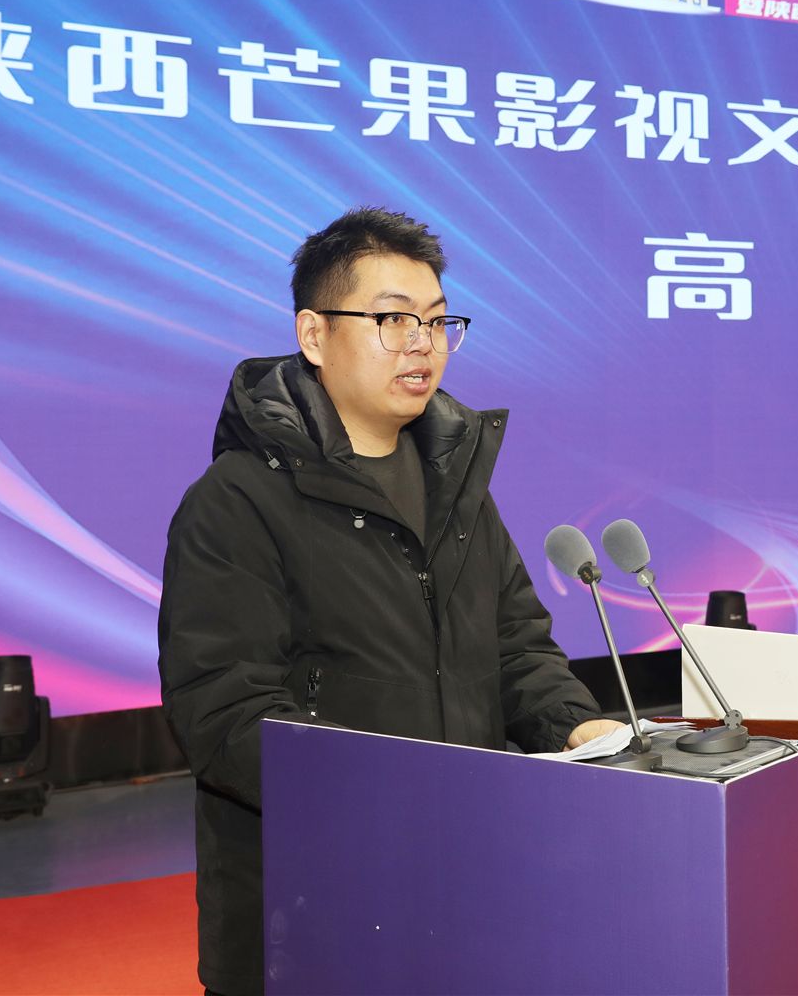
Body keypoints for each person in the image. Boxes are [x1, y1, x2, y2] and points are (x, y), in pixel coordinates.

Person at [158, 206, 622, 996]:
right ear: (313, 335)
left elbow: (516, 647)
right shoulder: (237, 502)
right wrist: (389, 793)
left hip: (461, 884)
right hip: (309, 910)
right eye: (392, 319)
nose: (422, 343)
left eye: (438, 322)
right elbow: (224, 709)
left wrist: (576, 726)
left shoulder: (457, 488)